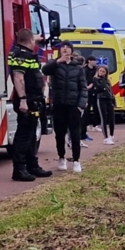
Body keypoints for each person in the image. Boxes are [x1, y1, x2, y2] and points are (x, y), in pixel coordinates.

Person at [8, 29, 52, 182]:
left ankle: (32, 165)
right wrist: (23, 99)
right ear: (30, 41)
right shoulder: (21, 55)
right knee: (24, 135)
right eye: (34, 40)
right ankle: (19, 169)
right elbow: (18, 78)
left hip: (34, 99)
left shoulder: (23, 52)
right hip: (28, 100)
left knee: (32, 135)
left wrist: (38, 38)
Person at [42, 42, 87, 173]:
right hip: (59, 104)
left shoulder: (78, 68)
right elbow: (45, 70)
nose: (65, 50)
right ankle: (61, 157)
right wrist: (58, 61)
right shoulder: (55, 65)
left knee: (75, 134)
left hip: (74, 105)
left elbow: (83, 88)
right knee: (60, 134)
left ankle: (76, 160)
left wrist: (81, 105)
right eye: (63, 48)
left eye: (67, 48)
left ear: (72, 51)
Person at [94, 65, 116, 144]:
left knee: (112, 117)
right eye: (100, 71)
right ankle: (106, 137)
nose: (101, 73)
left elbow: (110, 91)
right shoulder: (96, 79)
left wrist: (113, 100)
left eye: (103, 71)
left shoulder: (108, 81)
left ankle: (111, 135)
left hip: (109, 99)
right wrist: (102, 78)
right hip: (101, 99)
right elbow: (101, 87)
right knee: (104, 118)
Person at [81, 56, 100, 140]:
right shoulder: (84, 69)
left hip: (95, 91)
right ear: (89, 61)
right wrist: (87, 86)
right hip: (87, 91)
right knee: (87, 109)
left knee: (96, 108)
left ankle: (95, 125)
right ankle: (87, 125)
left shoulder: (96, 69)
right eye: (93, 60)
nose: (95, 62)